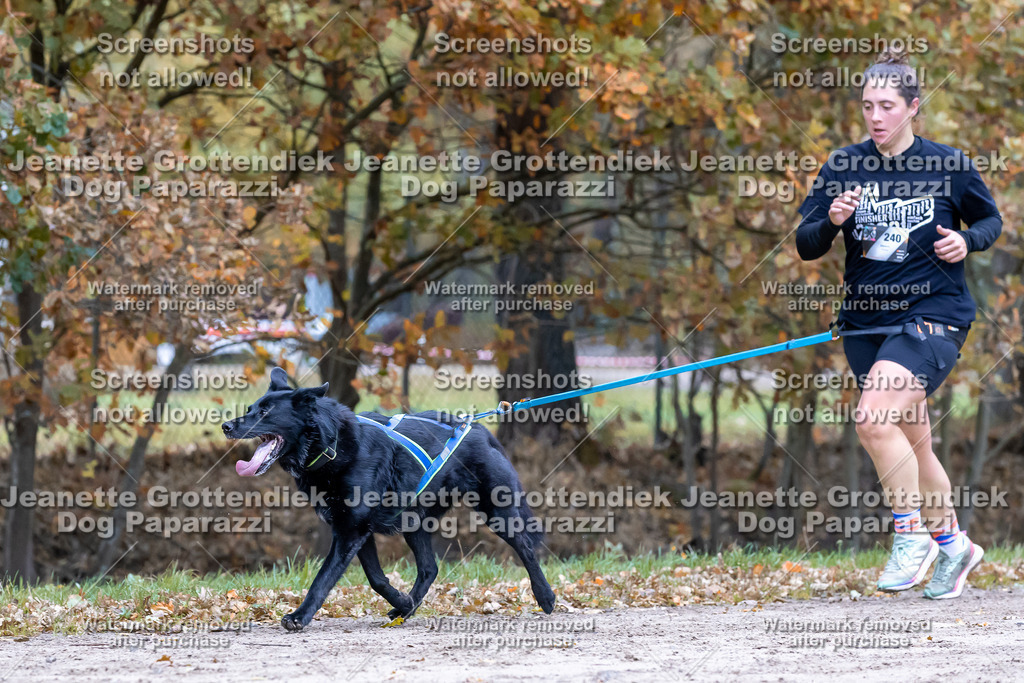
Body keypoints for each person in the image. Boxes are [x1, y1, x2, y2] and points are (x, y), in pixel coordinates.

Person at [795, 50, 1002, 599]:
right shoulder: (843, 165)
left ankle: (910, 537)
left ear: (913, 107)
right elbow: (805, 243)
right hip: (866, 327)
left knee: (871, 420)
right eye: (867, 105)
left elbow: (989, 219)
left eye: (887, 105)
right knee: (913, 445)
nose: (876, 116)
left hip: (934, 316)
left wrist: (968, 241)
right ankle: (956, 546)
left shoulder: (947, 164)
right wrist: (832, 219)